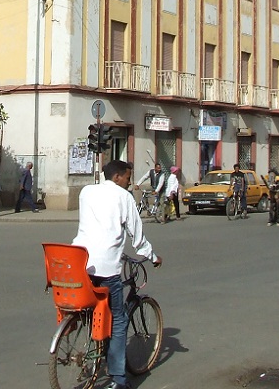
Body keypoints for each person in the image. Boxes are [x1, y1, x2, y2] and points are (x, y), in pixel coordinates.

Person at [72, 160, 162, 389]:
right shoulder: (124, 198)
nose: (130, 182)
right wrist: (152, 256)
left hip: (81, 262)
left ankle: (96, 350)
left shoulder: (86, 192)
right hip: (107, 268)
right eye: (128, 178)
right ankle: (119, 380)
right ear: (117, 177)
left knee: (93, 309)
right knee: (118, 320)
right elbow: (137, 236)